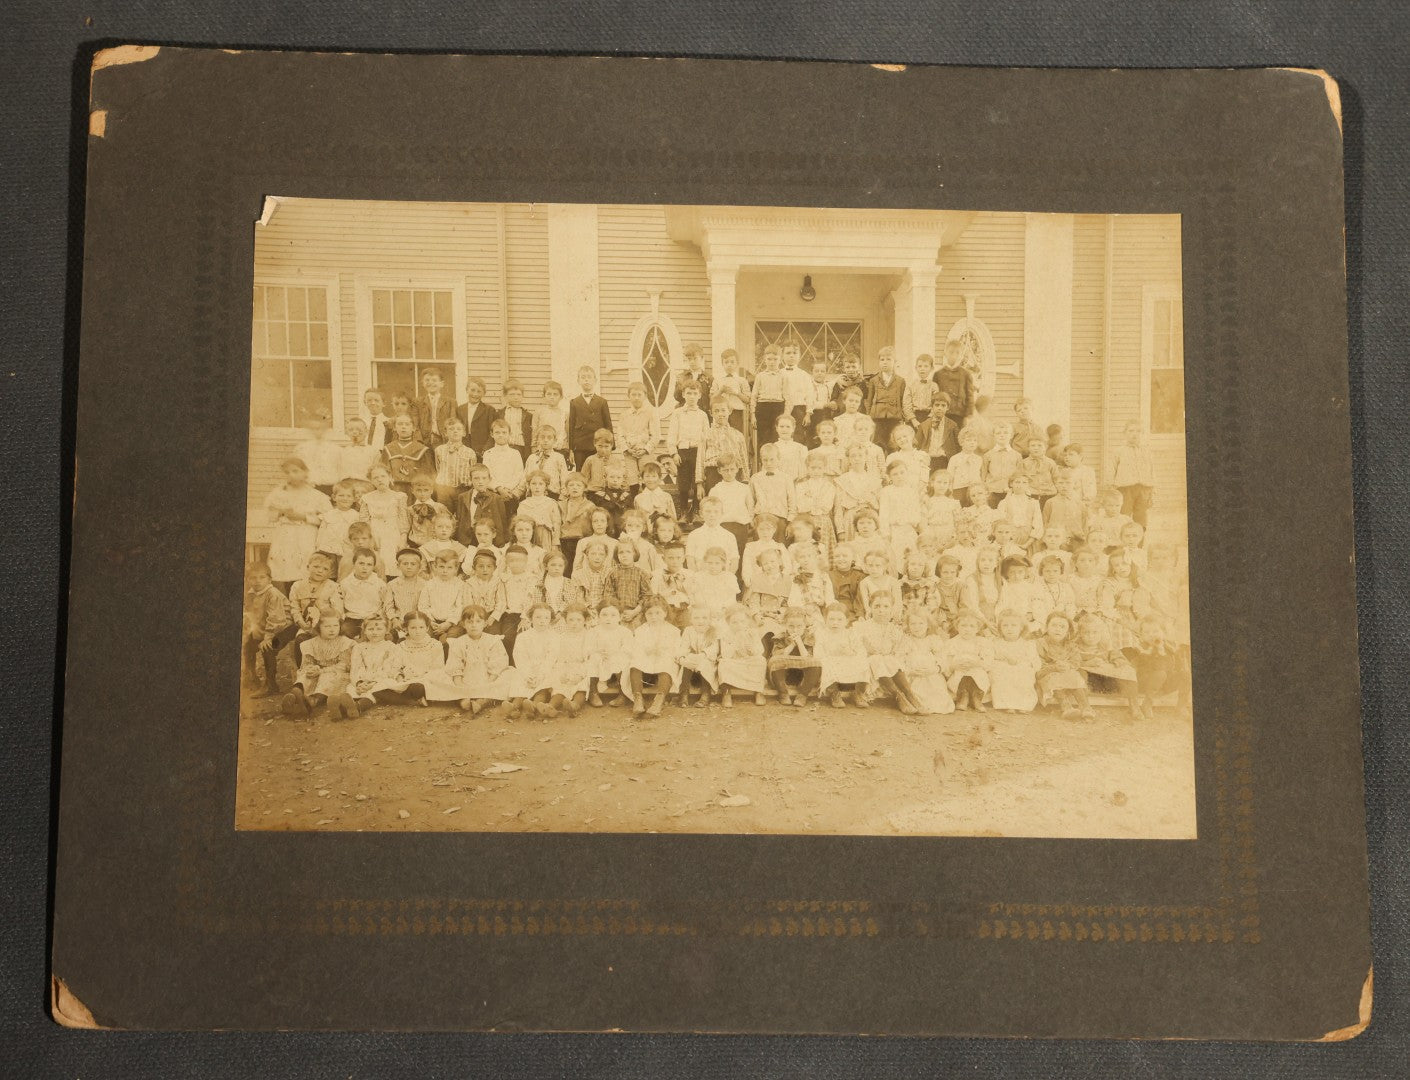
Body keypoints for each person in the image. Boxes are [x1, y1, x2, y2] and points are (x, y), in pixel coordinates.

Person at [264, 458, 333, 589]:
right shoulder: (278, 493)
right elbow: (270, 516)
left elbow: (328, 519)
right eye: (287, 472)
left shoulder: (316, 495)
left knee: (304, 567)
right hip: (285, 535)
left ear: (305, 472)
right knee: (283, 568)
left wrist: (304, 517)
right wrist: (281, 512)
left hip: (306, 534)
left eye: (295, 471)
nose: (291, 475)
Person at [281, 612, 354, 718]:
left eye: (335, 626)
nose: (332, 629)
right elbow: (307, 663)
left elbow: (343, 665)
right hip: (317, 671)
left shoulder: (345, 643)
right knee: (305, 674)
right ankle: (296, 694)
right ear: (319, 627)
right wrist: (311, 668)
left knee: (327, 678)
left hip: (336, 673)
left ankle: (313, 701)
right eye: (327, 626)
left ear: (340, 626)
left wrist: (322, 671)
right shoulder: (311, 643)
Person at [243, 563, 291, 696]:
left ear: (269, 579)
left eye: (262, 577)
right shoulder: (251, 594)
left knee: (267, 648)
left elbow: (277, 619)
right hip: (266, 627)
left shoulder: (272, 593)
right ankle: (251, 677)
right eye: (253, 578)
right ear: (247, 580)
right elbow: (251, 616)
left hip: (284, 627)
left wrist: (267, 638)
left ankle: (271, 685)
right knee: (247, 645)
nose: (257, 581)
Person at [629, 597, 681, 718]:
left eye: (658, 613)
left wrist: (664, 651)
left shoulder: (673, 630)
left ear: (665, 613)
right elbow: (636, 648)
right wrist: (646, 651)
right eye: (650, 613)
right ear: (645, 615)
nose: (654, 616)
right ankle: (638, 698)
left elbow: (677, 649)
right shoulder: (641, 630)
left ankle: (659, 700)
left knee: (667, 664)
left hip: (662, 662)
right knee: (635, 663)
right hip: (646, 665)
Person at [898, 608, 955, 715]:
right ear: (908, 626)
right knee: (914, 694)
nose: (917, 627)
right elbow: (900, 659)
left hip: (931, 675)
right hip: (913, 675)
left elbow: (942, 658)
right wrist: (909, 671)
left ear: (928, 624)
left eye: (921, 623)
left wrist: (935, 669)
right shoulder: (906, 640)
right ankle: (914, 703)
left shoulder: (933, 639)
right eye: (913, 623)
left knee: (938, 695)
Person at [813, 602, 871, 707]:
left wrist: (850, 652)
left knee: (862, 662)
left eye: (840, 620)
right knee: (828, 663)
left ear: (846, 621)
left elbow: (860, 650)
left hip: (848, 660)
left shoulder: (850, 633)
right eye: (831, 619)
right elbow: (818, 653)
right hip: (831, 660)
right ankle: (835, 692)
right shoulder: (822, 634)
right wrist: (832, 654)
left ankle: (856, 692)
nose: (835, 623)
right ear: (825, 619)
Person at [666, 380, 709, 519]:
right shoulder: (677, 413)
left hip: (698, 452)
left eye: (695, 393)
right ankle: (684, 511)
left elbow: (707, 436)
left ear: (700, 395)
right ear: (683, 394)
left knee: (697, 482)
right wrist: (674, 453)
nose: (691, 396)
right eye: (688, 393)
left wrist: (705, 454)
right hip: (682, 452)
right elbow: (672, 435)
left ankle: (696, 511)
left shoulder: (702, 415)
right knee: (683, 485)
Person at [1035, 611, 1090, 721]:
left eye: (1062, 627)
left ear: (1068, 631)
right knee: (1054, 678)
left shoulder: (1071, 645)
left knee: (1075, 676)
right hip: (1047, 673)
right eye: (1054, 625)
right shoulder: (1040, 643)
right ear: (1046, 627)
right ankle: (1066, 708)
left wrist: (1068, 665)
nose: (1058, 629)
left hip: (1066, 672)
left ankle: (1086, 707)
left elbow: (1076, 660)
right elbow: (1037, 664)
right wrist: (1053, 668)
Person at [767, 607, 821, 707]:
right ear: (785, 625)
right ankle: (783, 693)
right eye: (791, 626)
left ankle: (803, 695)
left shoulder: (810, 637)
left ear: (805, 625)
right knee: (774, 661)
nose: (795, 630)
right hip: (784, 676)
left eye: (799, 626)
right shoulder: (780, 637)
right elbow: (776, 656)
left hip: (803, 676)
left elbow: (808, 657)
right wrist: (791, 645)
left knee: (816, 664)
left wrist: (799, 642)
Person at [989, 609, 1041, 712]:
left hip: (1021, 668)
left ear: (1021, 628)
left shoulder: (1027, 644)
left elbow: (1035, 663)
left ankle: (1023, 705)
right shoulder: (995, 643)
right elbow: (990, 658)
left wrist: (1021, 662)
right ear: (1000, 628)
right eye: (1005, 625)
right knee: (1000, 670)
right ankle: (1008, 704)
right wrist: (1003, 659)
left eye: (1013, 625)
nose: (1009, 629)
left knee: (1023, 672)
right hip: (1003, 668)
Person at [863, 346, 911, 451]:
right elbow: (869, 400)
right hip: (877, 418)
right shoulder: (874, 380)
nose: (885, 362)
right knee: (877, 444)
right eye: (882, 359)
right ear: (879, 362)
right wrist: (868, 416)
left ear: (895, 362)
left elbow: (902, 401)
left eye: (889, 359)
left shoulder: (900, 381)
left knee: (893, 444)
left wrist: (902, 418)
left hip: (894, 418)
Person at [586, 605, 635, 707]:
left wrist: (615, 652)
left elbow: (628, 648)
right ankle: (593, 692)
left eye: (613, 615)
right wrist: (598, 652)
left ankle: (623, 694)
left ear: (620, 617)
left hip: (617, 656)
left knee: (623, 660)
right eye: (604, 615)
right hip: (600, 657)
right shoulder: (594, 631)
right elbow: (588, 648)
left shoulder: (624, 631)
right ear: (598, 617)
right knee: (593, 659)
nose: (608, 618)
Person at [566, 365, 612, 470]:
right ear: (578, 381)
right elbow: (571, 427)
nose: (586, 380)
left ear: (595, 380)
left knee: (599, 472)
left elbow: (608, 424)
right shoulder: (574, 402)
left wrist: (610, 447)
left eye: (589, 377)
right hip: (580, 446)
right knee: (581, 473)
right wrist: (571, 449)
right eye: (583, 377)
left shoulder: (602, 402)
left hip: (598, 445)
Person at [616, 381, 661, 486]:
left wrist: (646, 449)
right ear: (629, 396)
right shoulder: (624, 415)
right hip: (629, 453)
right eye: (633, 395)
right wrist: (627, 449)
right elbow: (620, 435)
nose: (636, 398)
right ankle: (634, 501)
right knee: (632, 479)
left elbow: (655, 436)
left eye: (639, 395)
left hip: (644, 452)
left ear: (645, 396)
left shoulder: (651, 413)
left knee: (647, 477)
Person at [452, 463, 509, 547]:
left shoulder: (497, 498)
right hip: (467, 541)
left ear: (489, 479)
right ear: (470, 479)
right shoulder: (463, 497)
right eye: (476, 478)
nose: (480, 481)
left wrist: (500, 544)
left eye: (484, 478)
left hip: (489, 541)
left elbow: (502, 523)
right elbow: (460, 520)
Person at [675, 606, 721, 707]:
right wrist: (682, 658)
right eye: (696, 618)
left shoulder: (713, 631)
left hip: (706, 666)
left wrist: (703, 655)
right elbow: (683, 647)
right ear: (691, 620)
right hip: (692, 671)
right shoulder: (688, 630)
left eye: (704, 618)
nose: (700, 621)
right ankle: (683, 693)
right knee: (688, 662)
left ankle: (705, 694)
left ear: (710, 620)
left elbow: (714, 649)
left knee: (705, 663)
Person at [750, 346, 785, 466]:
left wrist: (785, 414)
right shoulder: (760, 376)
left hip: (778, 407)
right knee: (763, 439)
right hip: (763, 408)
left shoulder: (782, 376)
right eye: (769, 359)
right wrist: (753, 414)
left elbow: (787, 396)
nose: (772, 362)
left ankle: (775, 466)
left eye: (775, 359)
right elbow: (754, 395)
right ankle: (762, 466)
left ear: (780, 360)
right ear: (765, 360)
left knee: (776, 438)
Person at [382, 413, 434, 494]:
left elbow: (428, 474)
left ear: (413, 428)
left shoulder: (422, 449)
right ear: (394, 428)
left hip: (415, 491)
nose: (403, 427)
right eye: (400, 424)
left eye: (407, 424)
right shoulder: (388, 448)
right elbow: (383, 472)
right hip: (393, 490)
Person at [431, 416, 477, 507]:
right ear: (445, 433)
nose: (455, 431)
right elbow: (438, 468)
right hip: (444, 489)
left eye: (458, 429)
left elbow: (473, 471)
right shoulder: (439, 450)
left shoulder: (470, 452)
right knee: (444, 513)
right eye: (451, 429)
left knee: (462, 513)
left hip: (463, 489)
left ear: (464, 433)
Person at [413, 368, 456, 448]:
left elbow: (452, 423)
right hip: (424, 442)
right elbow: (415, 425)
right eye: (427, 380)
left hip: (444, 441)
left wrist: (450, 442)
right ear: (423, 383)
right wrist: (419, 443)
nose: (430, 383)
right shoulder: (417, 402)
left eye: (434, 380)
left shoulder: (450, 402)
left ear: (441, 384)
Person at [457, 375, 497, 457]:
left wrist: (486, 450)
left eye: (479, 391)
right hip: (464, 448)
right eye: (472, 390)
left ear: (484, 393)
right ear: (467, 390)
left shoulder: (489, 410)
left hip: (482, 450)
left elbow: (492, 432)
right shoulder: (460, 409)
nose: (475, 394)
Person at [496, 379, 533, 460]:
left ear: (523, 396)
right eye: (512, 394)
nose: (516, 397)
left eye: (519, 394)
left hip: (522, 449)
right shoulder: (499, 414)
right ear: (505, 396)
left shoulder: (528, 415)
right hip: (505, 447)